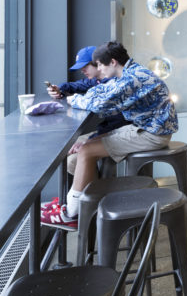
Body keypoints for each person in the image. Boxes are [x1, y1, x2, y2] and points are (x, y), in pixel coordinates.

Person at [40, 41, 178, 228]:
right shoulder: (130, 72)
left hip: (152, 134)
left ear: (112, 62)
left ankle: (71, 214)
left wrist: (74, 100)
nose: (99, 69)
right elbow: (100, 90)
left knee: (87, 150)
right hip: (147, 127)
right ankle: (79, 205)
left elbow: (99, 104)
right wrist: (74, 95)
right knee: (88, 144)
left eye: (100, 65)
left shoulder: (132, 79)